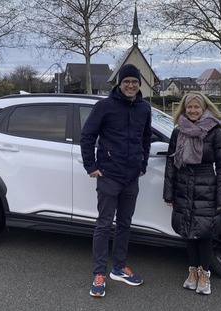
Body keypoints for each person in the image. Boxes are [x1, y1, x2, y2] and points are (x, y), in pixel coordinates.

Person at [80, 64, 152, 298]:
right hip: (109, 175)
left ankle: (119, 267)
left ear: (139, 84)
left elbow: (146, 138)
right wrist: (91, 166)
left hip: (131, 177)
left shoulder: (144, 108)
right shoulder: (105, 106)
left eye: (134, 81)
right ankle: (99, 274)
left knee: (124, 223)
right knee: (103, 224)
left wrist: (143, 164)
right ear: (119, 84)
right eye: (126, 82)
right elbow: (87, 136)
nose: (130, 85)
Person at [162, 92, 221, 295]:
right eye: (189, 107)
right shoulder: (178, 131)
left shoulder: (215, 132)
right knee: (188, 232)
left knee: (205, 233)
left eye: (196, 107)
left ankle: (205, 274)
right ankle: (192, 271)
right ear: (184, 109)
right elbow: (171, 164)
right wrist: (169, 193)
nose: (192, 110)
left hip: (206, 185)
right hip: (183, 184)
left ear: (204, 108)